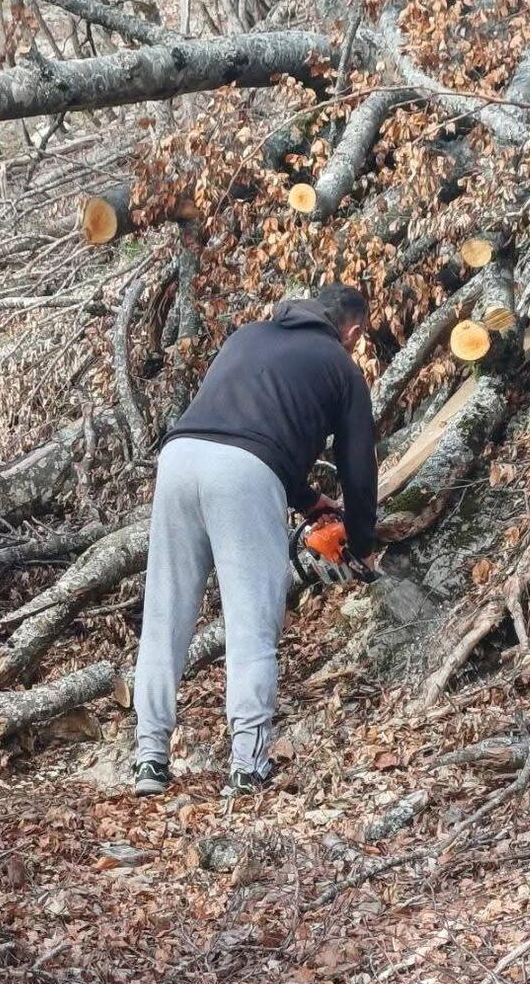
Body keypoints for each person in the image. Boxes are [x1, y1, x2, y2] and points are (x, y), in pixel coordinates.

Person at [132, 283, 378, 797]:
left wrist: (309, 502)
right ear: (351, 330)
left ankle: (150, 759)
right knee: (251, 623)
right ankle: (247, 766)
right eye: (358, 339)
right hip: (245, 476)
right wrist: (360, 539)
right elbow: (359, 468)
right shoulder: (340, 366)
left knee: (165, 613)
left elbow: (244, 427)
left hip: (178, 459)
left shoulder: (248, 337)